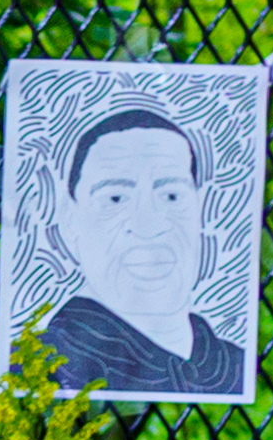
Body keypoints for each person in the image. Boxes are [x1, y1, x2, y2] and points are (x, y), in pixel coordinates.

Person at [34, 105, 251, 398]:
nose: (148, 225)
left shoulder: (236, 367)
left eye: (172, 195)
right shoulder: (34, 365)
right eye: (115, 197)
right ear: (70, 220)